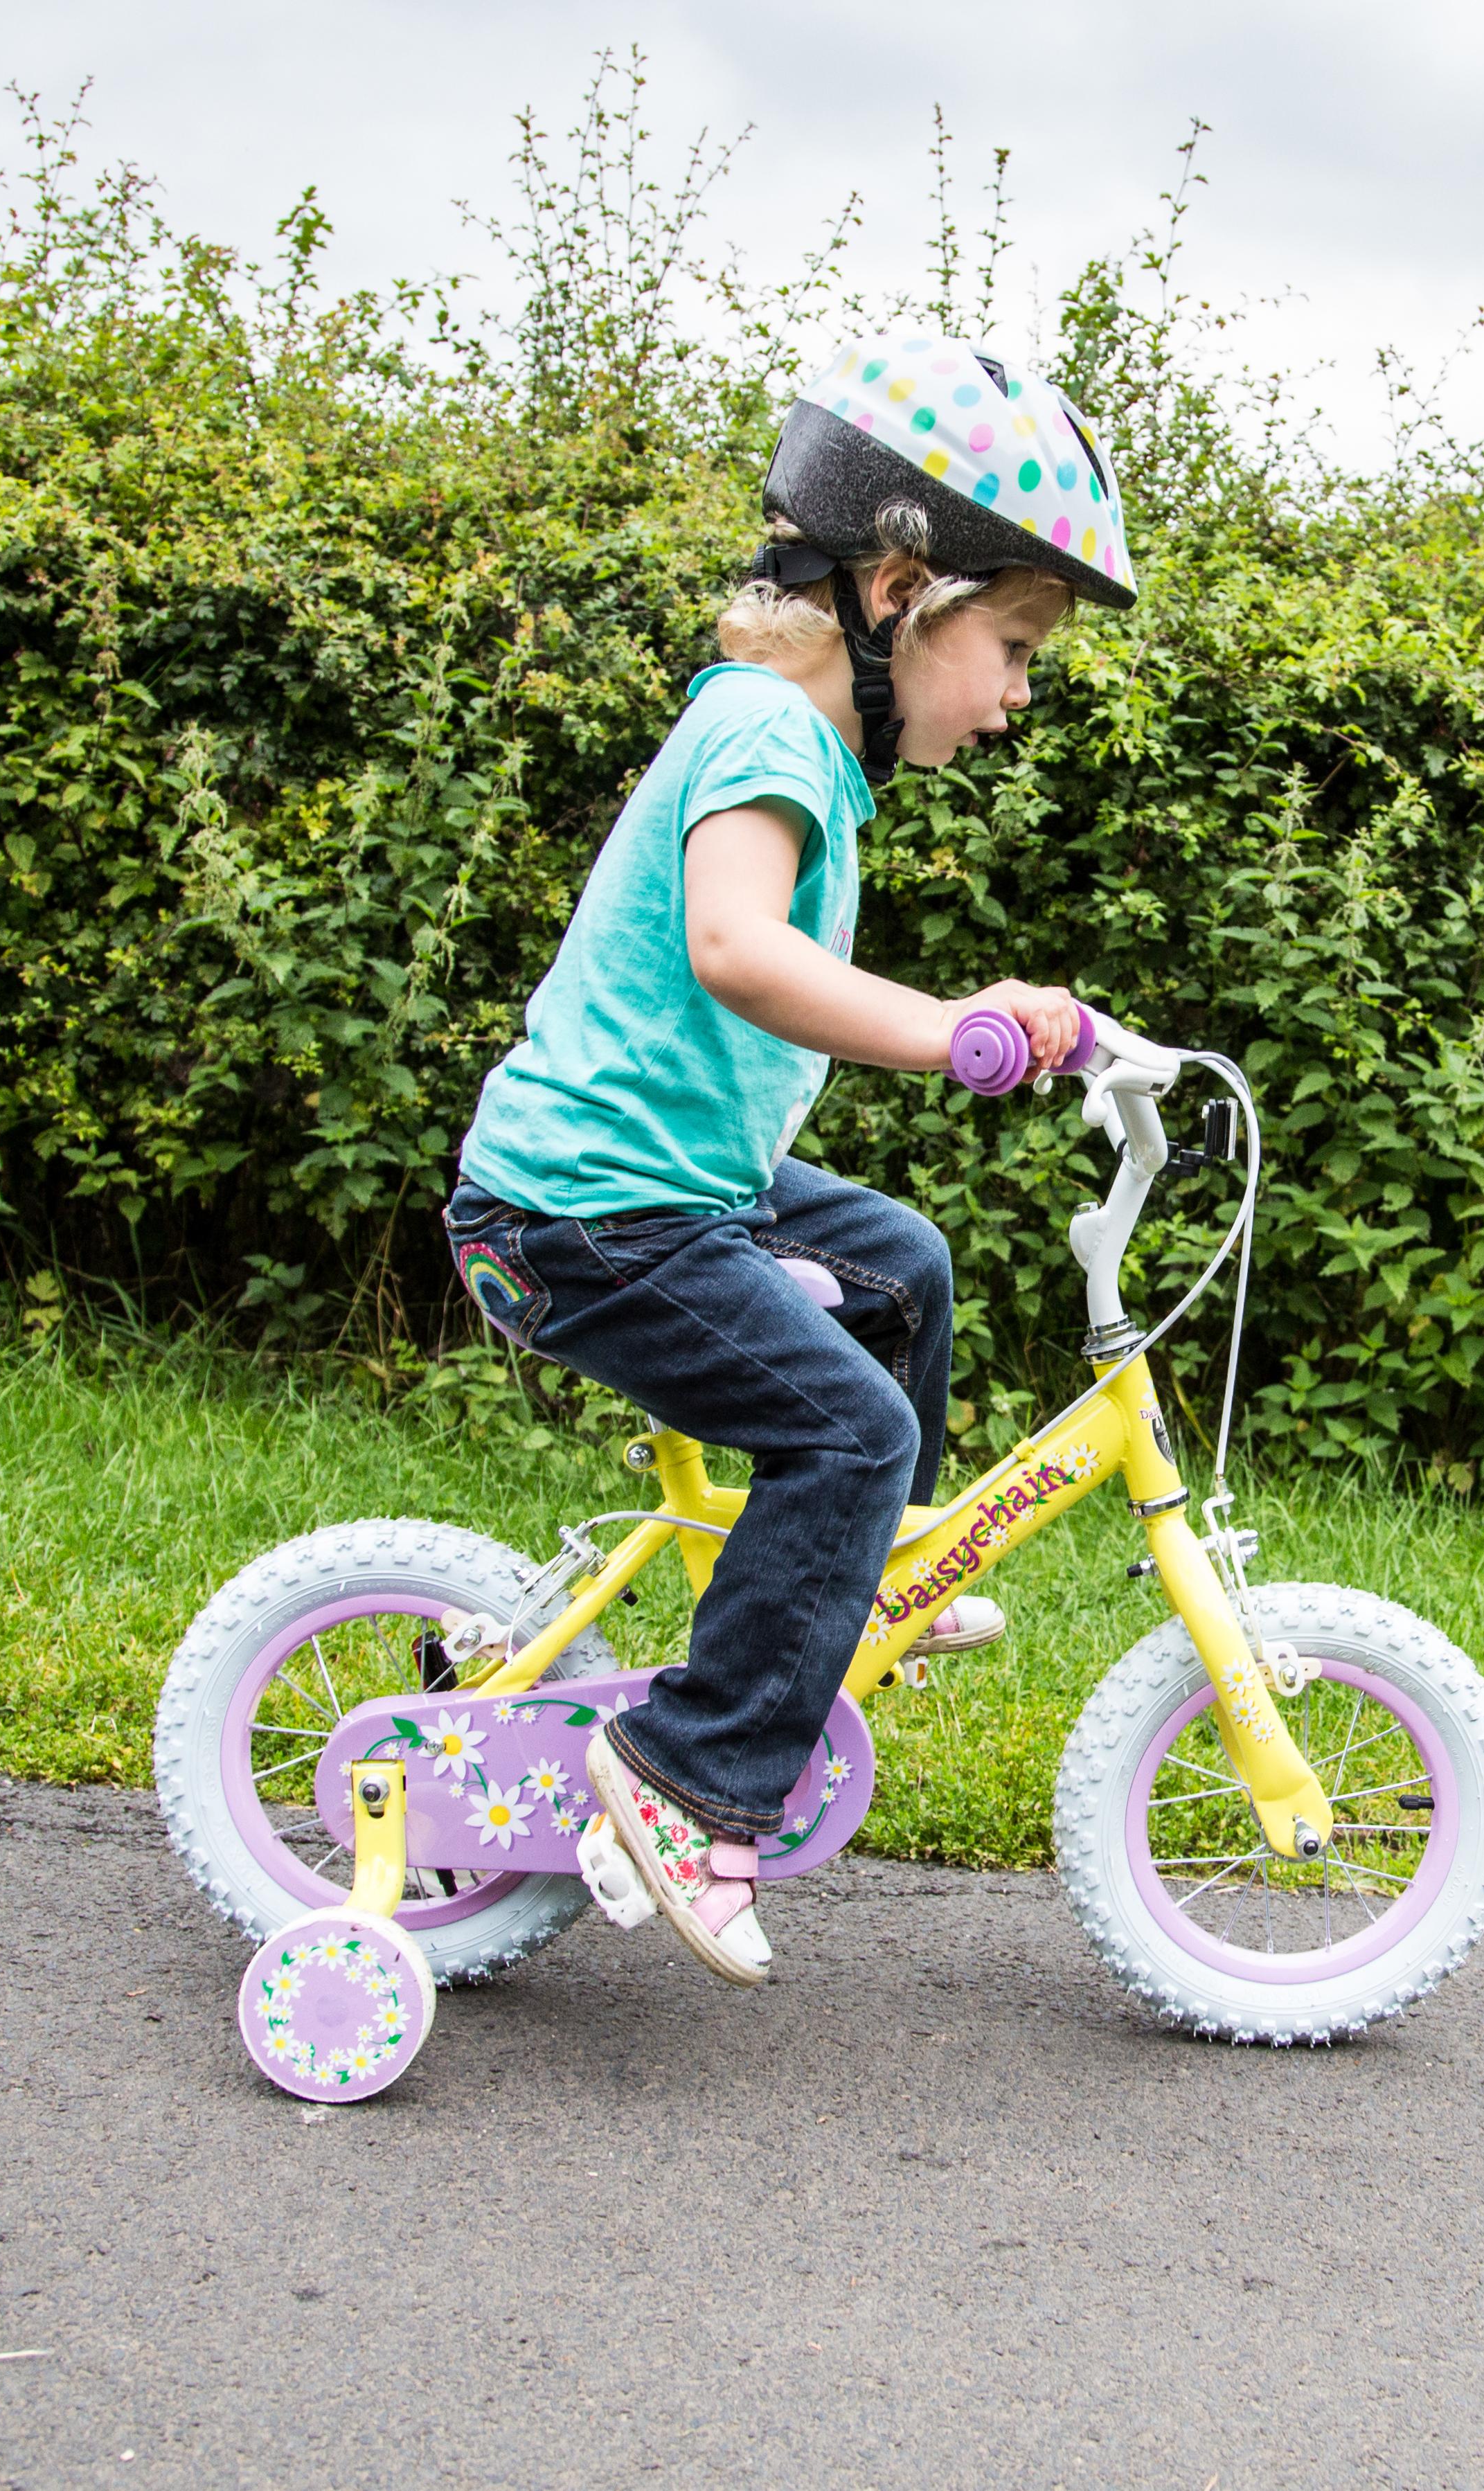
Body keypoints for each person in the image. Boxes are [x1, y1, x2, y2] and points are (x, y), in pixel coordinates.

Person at [439, 332, 1135, 1988]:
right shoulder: (761, 731)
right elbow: (740, 950)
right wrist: (952, 1021)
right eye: (1017, 642)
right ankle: (688, 1776)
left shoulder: (803, 748)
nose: (1020, 693)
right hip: (584, 1213)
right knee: (849, 1422)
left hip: (670, 1194)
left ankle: (853, 1575)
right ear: (900, 589)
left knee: (902, 1266)